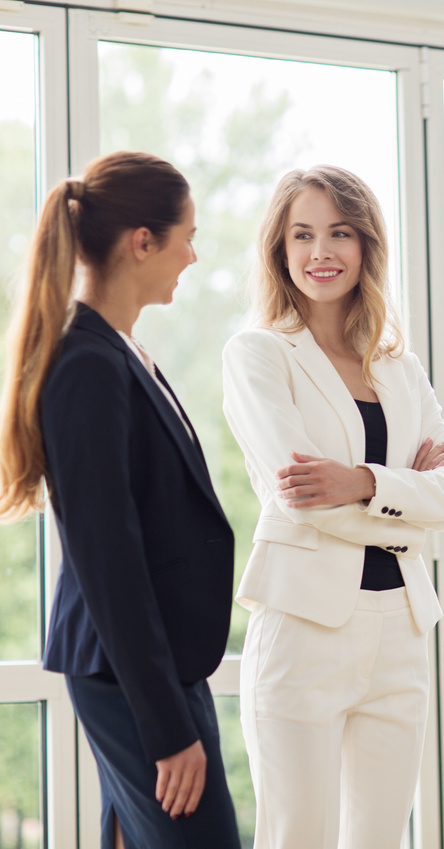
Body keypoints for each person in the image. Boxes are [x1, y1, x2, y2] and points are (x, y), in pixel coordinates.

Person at [221, 164, 444, 849]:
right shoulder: (258, 355)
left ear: (366, 246)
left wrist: (363, 480)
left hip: (402, 628)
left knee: (381, 839)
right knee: (296, 835)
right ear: (280, 249)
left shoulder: (399, 366)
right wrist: (404, 497)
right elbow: (305, 500)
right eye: (302, 234)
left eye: (339, 233)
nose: (320, 251)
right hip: (305, 626)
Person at [0, 151, 238, 848]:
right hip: (131, 674)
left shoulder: (121, 350)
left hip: (151, 666)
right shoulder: (88, 364)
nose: (192, 256)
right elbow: (110, 559)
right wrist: (168, 727)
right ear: (142, 241)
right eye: (186, 236)